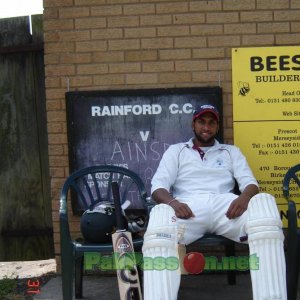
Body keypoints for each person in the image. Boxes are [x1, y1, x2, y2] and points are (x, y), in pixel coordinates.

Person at [142, 104, 287, 300]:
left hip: (226, 209)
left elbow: (250, 183)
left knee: (265, 206)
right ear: (193, 124)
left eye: (211, 123)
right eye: (202, 121)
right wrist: (173, 204)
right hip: (188, 209)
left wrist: (244, 198)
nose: (206, 127)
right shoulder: (177, 151)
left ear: (217, 127)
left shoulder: (230, 151)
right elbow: (158, 187)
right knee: (160, 219)